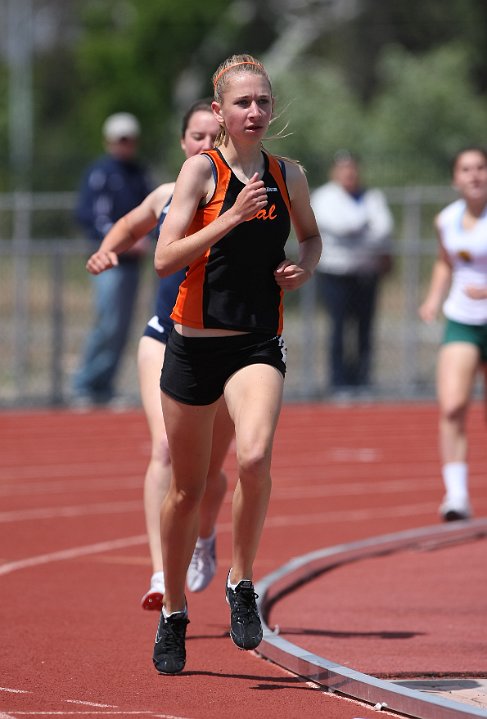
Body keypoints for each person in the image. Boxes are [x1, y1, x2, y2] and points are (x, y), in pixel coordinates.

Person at [151, 53, 322, 675]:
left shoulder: (288, 176)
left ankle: (241, 582)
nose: (255, 111)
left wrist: (305, 265)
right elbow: (165, 260)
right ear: (219, 113)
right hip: (194, 343)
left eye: (264, 102)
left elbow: (310, 236)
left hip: (256, 340)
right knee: (188, 489)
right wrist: (230, 219)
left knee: (253, 457)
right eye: (243, 103)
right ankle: (174, 610)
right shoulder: (201, 170)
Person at [85, 101, 234, 608]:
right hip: (164, 336)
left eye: (215, 137)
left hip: (225, 344)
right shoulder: (166, 195)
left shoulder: (241, 200)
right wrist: (107, 249)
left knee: (210, 475)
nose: (205, 145)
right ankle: (157, 572)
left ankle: (206, 534)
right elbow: (129, 224)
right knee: (166, 450)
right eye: (196, 136)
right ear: (182, 142)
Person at [419, 145, 487, 522]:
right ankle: (457, 495)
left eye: (480, 168)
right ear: (455, 179)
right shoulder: (446, 220)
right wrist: (433, 299)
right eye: (466, 169)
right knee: (452, 405)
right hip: (462, 318)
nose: (474, 175)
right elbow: (446, 261)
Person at [72, 112, 153, 406]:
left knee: (122, 326)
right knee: (107, 321)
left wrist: (147, 239)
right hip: (109, 262)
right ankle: (85, 384)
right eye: (121, 139)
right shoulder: (101, 172)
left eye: (130, 139)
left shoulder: (139, 173)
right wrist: (122, 243)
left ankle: (103, 386)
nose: (126, 144)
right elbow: (89, 216)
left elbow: (152, 213)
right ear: (109, 141)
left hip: (133, 264)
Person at [311, 151, 394, 395]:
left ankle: (363, 380)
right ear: (334, 172)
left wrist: (359, 229)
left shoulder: (372, 196)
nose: (349, 173)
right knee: (338, 329)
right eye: (343, 169)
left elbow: (383, 228)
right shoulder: (324, 197)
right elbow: (339, 226)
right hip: (335, 273)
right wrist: (363, 226)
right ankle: (339, 383)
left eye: (352, 168)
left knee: (364, 329)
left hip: (367, 273)